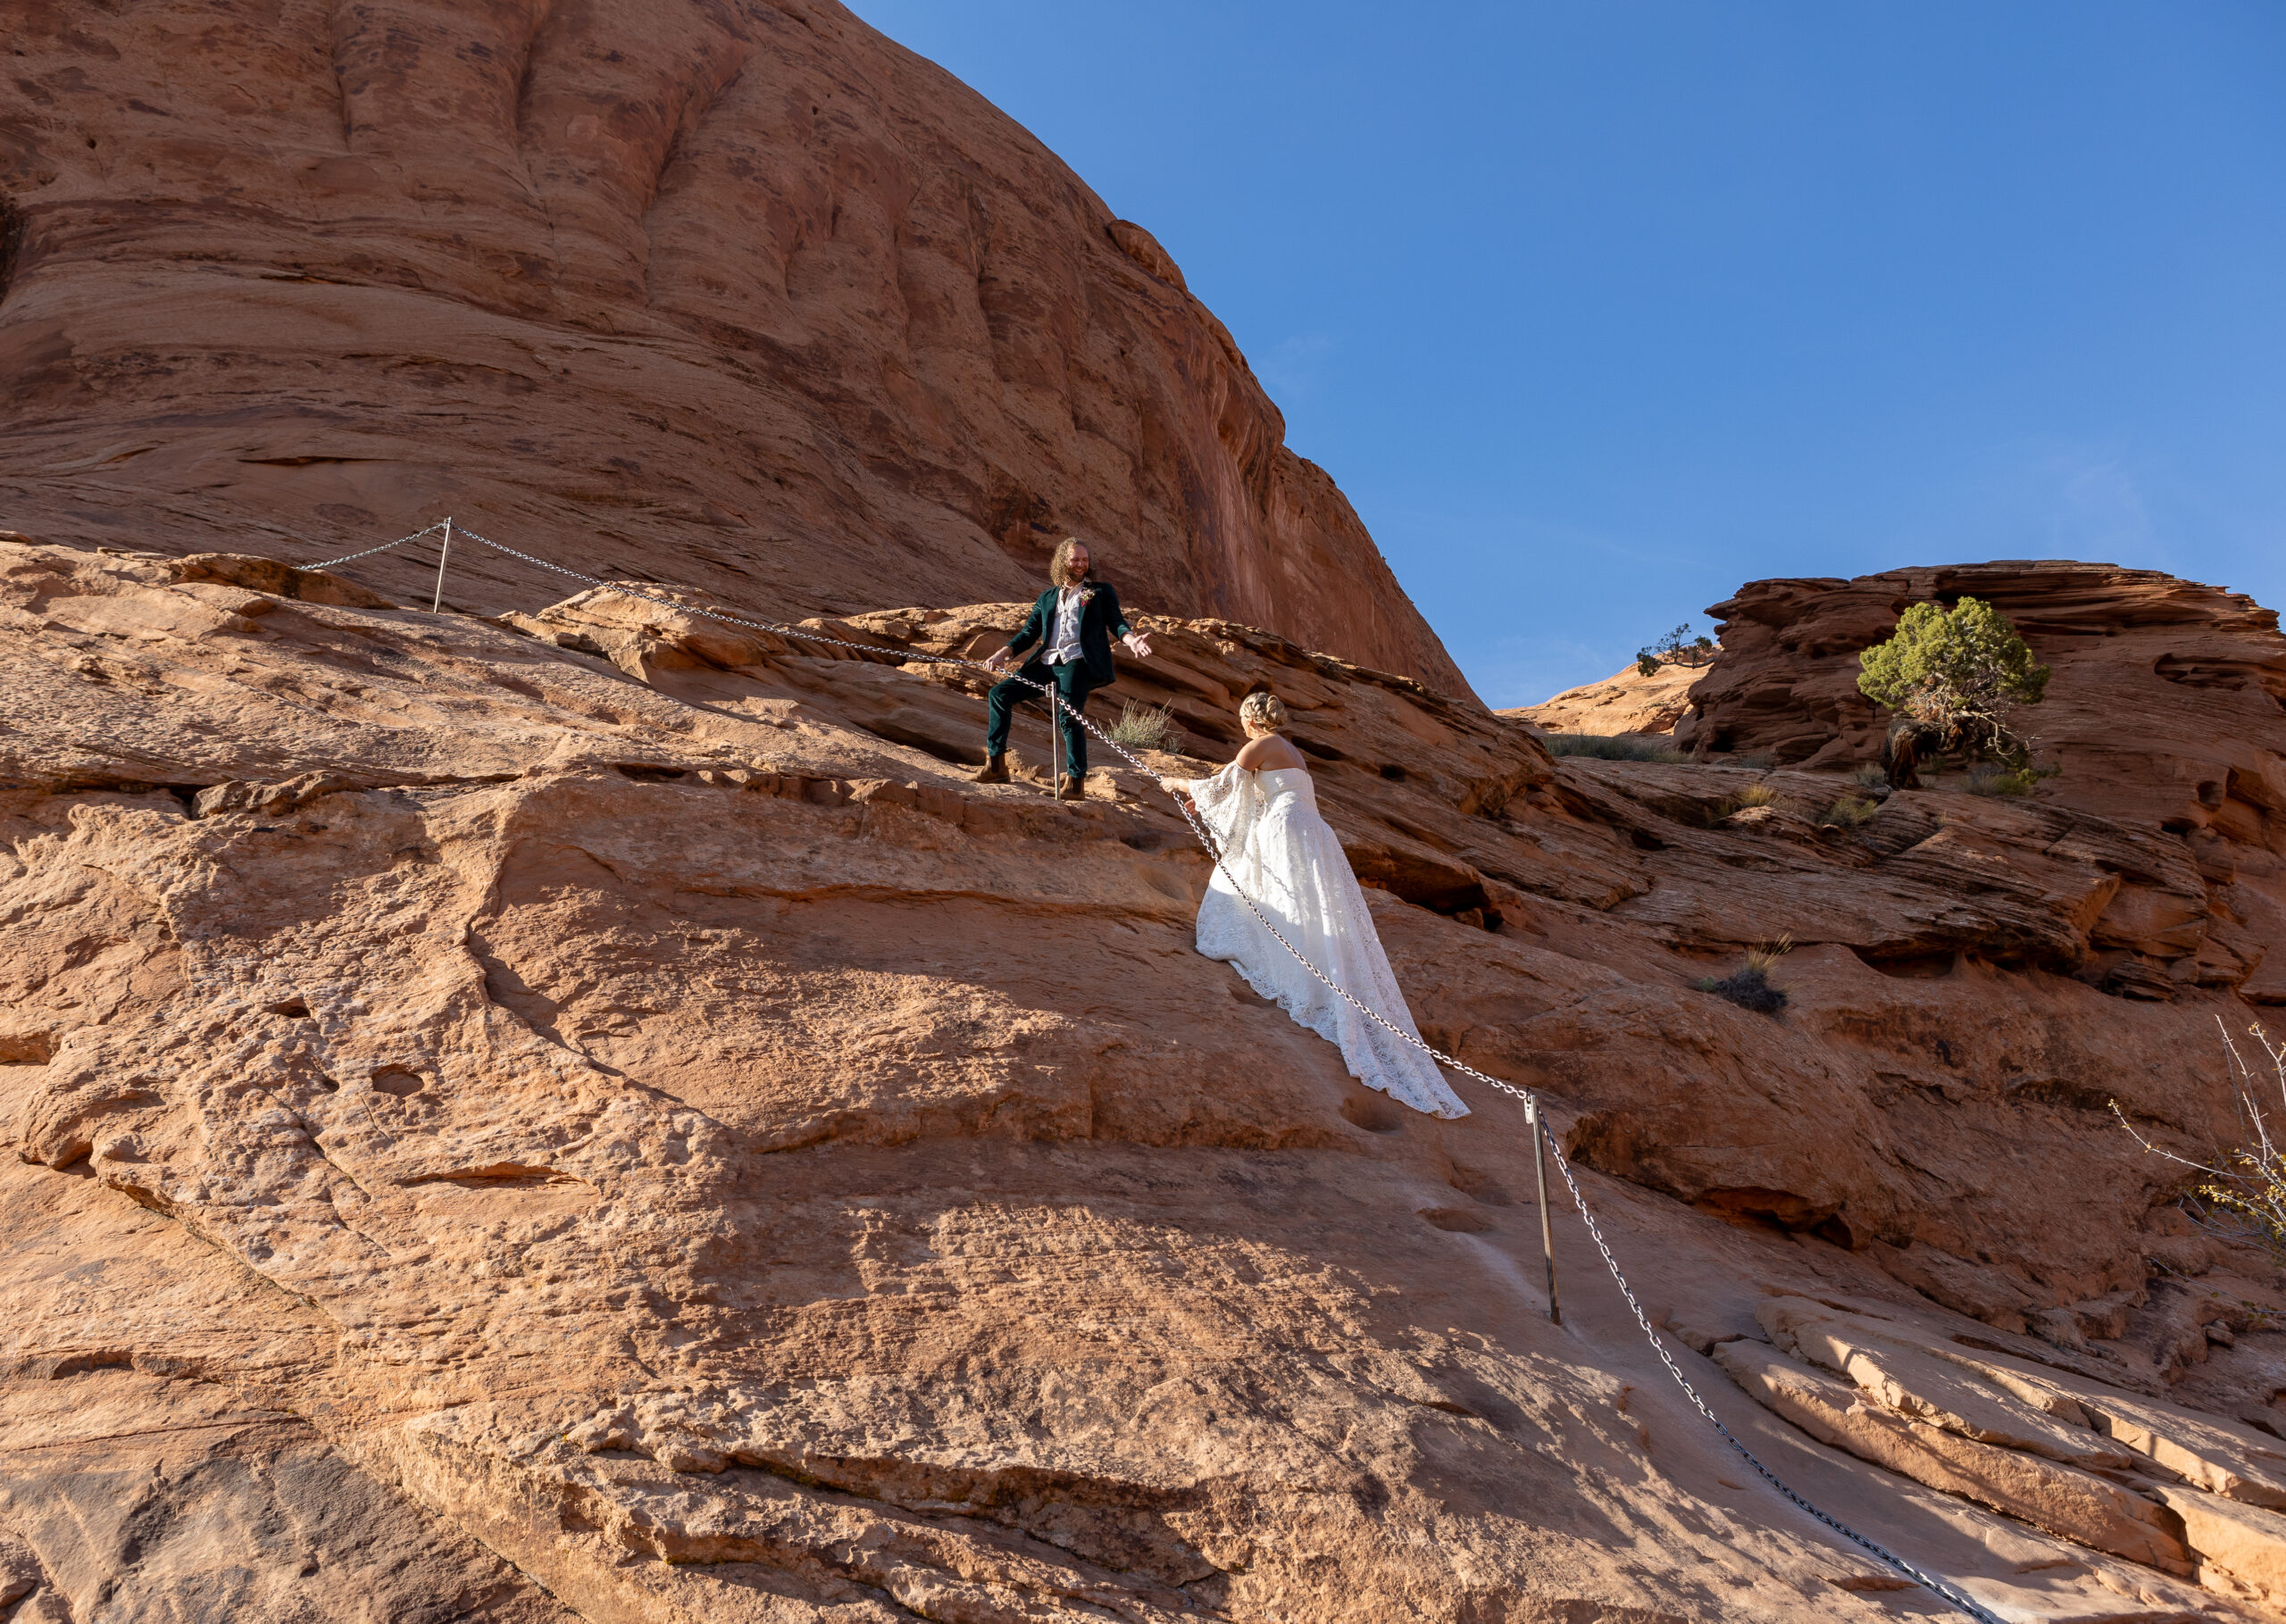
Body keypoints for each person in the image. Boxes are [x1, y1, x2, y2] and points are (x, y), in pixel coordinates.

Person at [1162, 690, 1469, 1119]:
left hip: (1285, 826)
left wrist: (1177, 783)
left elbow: (1224, 783)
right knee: (1309, 901)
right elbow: (1247, 791)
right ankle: (1318, 972)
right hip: (1314, 829)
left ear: (1249, 721)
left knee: (1277, 895)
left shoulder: (1260, 743)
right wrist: (1210, 800)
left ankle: (1302, 974)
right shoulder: (1290, 750)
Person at [975, 537, 1154, 800]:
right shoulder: (1047, 597)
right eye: (1075, 560)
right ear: (1062, 562)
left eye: (1085, 560)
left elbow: (1116, 622)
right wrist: (1003, 653)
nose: (1081, 564)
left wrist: (1131, 640)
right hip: (1046, 662)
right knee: (1000, 694)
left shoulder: (1099, 592)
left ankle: (1075, 784)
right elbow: (1029, 633)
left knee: (1068, 717)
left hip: (1077, 662)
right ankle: (997, 766)